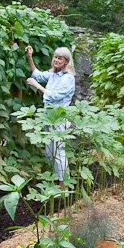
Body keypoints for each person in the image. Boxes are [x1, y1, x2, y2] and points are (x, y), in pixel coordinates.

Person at [25, 45, 77, 185]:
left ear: (66, 61)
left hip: (59, 117)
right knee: (50, 152)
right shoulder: (53, 74)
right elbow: (38, 74)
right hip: (49, 117)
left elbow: (54, 96)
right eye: (55, 57)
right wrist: (29, 57)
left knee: (58, 152)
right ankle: (55, 181)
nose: (56, 60)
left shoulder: (68, 78)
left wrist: (38, 86)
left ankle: (63, 186)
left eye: (60, 58)